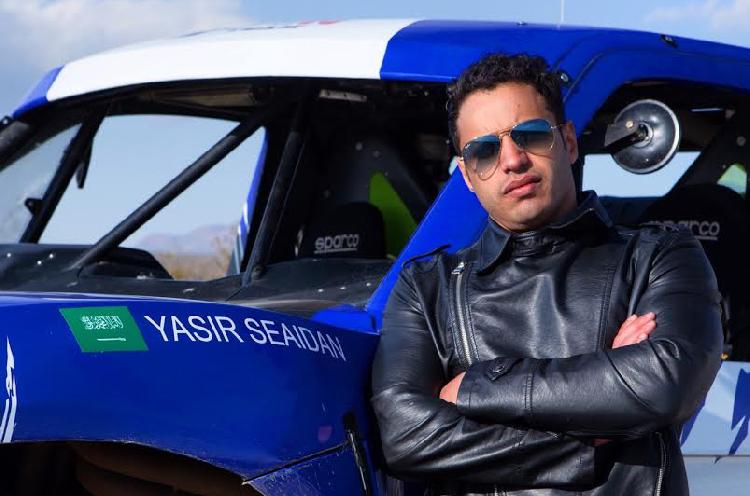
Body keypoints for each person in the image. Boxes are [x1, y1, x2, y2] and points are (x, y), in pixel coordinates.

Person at [371, 53, 723, 495]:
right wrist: (595, 432)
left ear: (569, 142)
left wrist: (477, 386)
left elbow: (665, 382)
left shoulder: (661, 255)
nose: (512, 160)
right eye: (484, 150)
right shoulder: (426, 288)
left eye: (531, 135)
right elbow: (407, 438)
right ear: (467, 175)